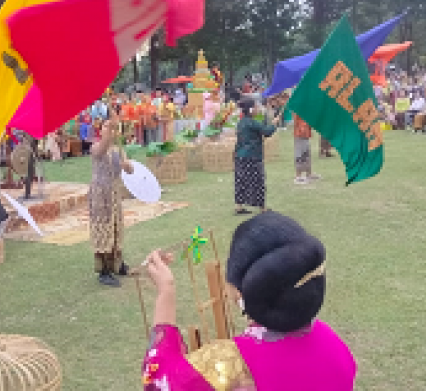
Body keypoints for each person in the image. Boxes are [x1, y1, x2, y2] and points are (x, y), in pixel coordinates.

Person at [141, 211, 356, 390]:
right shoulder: (334, 345)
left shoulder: (229, 365)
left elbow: (159, 383)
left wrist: (165, 293)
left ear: (240, 292)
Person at [89, 114, 135, 287]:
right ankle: (104, 271)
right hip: (100, 195)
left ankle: (117, 264)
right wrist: (111, 127)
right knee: (103, 230)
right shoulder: (96, 147)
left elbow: (129, 170)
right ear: (101, 130)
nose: (109, 130)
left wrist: (127, 166)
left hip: (114, 194)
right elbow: (101, 149)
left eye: (113, 128)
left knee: (116, 228)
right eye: (105, 127)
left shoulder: (119, 149)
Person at [234, 99, 277, 215]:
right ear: (251, 109)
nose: (258, 109)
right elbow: (267, 132)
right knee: (258, 182)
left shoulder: (242, 122)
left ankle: (238, 206)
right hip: (252, 156)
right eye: (256, 107)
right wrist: (274, 124)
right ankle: (262, 208)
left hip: (240, 156)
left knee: (241, 182)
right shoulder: (252, 123)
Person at [294, 113, 320, 184]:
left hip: (306, 131)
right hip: (300, 132)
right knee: (300, 154)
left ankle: (309, 174)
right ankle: (298, 176)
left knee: (307, 154)